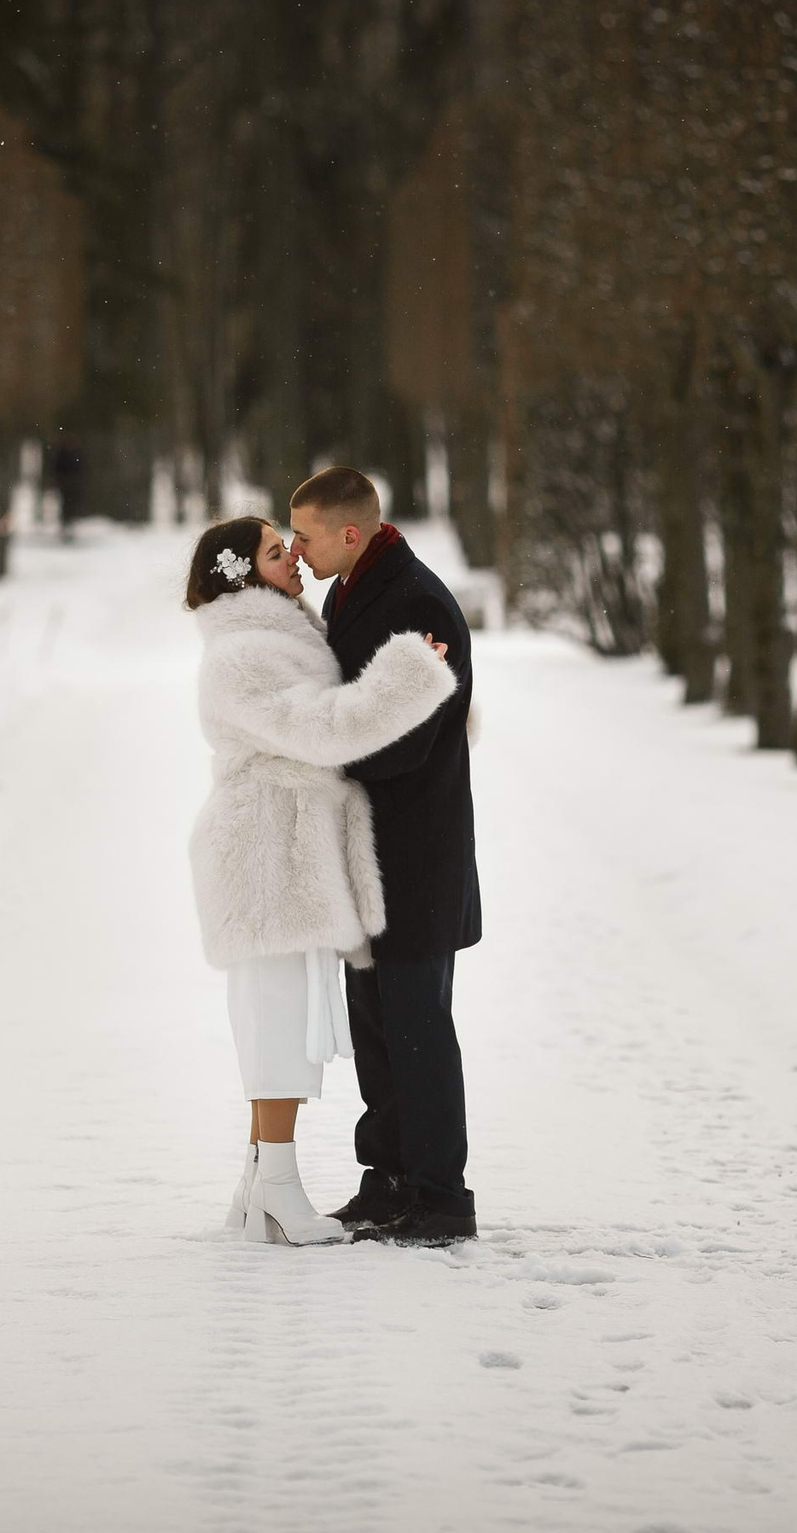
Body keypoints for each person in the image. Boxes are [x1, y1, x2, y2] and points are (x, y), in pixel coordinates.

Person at [184, 515, 457, 1245]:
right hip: (266, 853)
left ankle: (257, 1187)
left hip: (286, 845)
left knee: (284, 1018)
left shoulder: (274, 636)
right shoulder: (245, 654)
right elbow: (325, 729)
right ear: (244, 573)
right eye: (278, 552)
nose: (296, 559)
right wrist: (413, 677)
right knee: (277, 1024)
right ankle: (276, 1188)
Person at [286, 467, 481, 1245]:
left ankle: (440, 1199)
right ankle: (390, 1179)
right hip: (368, 858)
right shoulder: (353, 589)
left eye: (304, 535)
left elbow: (404, 741)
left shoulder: (417, 601)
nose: (297, 550)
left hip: (414, 856)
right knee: (376, 1029)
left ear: (350, 532)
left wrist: (318, 748)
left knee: (417, 1030)